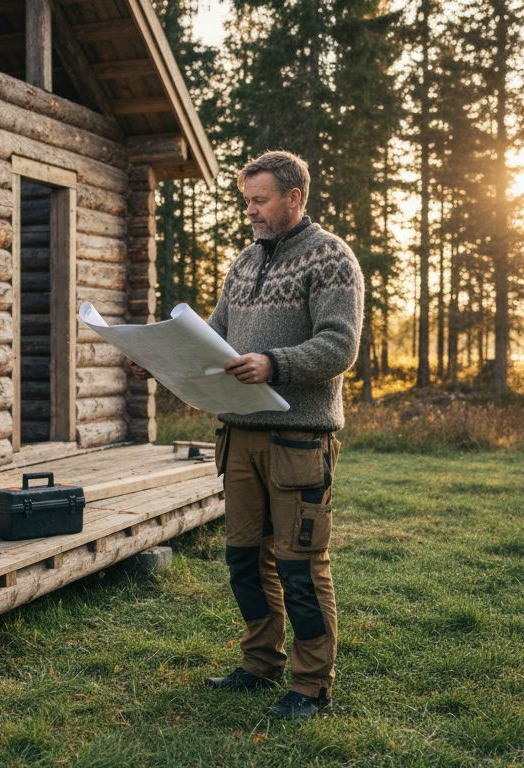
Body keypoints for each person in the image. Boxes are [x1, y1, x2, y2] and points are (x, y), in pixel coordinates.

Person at [131, 151, 364, 720]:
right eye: (247, 201)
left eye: (260, 201)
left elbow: (340, 346)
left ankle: (312, 686)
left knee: (300, 566)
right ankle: (260, 664)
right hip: (238, 438)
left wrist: (274, 363)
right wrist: (160, 359)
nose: (251, 211)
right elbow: (213, 340)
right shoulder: (242, 263)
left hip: (298, 443)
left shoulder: (331, 257)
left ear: (294, 198)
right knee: (243, 559)